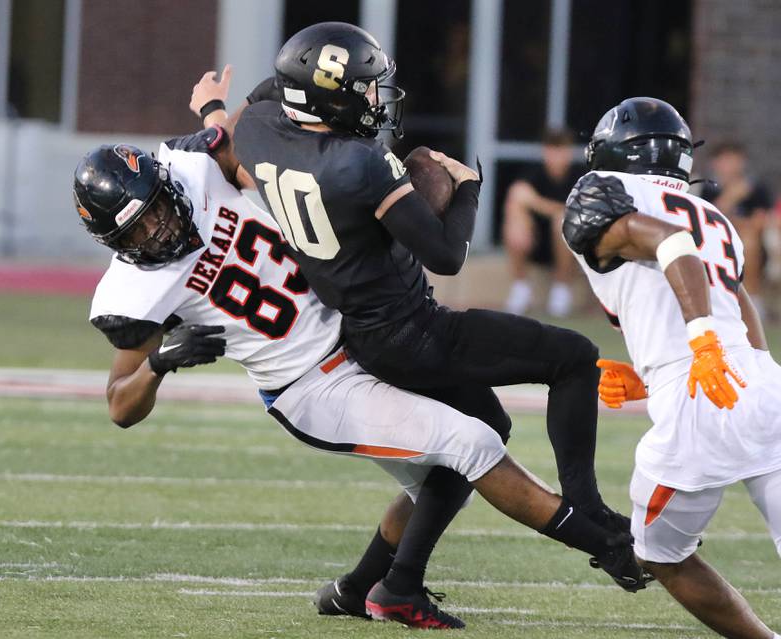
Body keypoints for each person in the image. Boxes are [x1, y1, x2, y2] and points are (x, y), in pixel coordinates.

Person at [74, 131, 645, 630]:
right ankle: (609, 547)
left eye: (154, 211)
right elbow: (120, 406)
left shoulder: (193, 168)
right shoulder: (133, 294)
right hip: (311, 386)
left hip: (361, 331)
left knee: (465, 447)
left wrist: (224, 117)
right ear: (113, 245)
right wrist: (160, 362)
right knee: (471, 444)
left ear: (164, 184)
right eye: (136, 233)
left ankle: (368, 588)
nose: (156, 231)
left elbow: (255, 156)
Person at [189, 21, 645, 627]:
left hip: (365, 333)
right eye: (368, 89)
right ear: (332, 97)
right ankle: (589, 512)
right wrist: (469, 190)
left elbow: (268, 94)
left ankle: (384, 585)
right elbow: (447, 255)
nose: (378, 100)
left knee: (484, 427)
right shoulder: (359, 165)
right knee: (572, 356)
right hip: (415, 333)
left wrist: (216, 110)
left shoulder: (257, 131)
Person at [563, 96, 781, 639]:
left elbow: (670, 243)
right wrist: (665, 366)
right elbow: (736, 299)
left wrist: (698, 349)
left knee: (660, 555)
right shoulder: (715, 215)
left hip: (698, 400)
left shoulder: (603, 193)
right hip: (761, 386)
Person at [503, 128, 582, 317]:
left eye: (561, 150)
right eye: (552, 150)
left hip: (569, 247)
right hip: (536, 242)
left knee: (561, 222)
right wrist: (556, 209)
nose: (556, 156)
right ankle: (521, 287)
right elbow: (518, 194)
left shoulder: (580, 176)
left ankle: (561, 289)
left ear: (569, 152)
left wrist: (542, 206)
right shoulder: (534, 172)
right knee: (515, 217)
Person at [698, 142, 774, 320]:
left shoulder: (756, 188)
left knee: (748, 241)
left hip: (751, 243)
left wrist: (734, 222)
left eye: (733, 159)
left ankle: (753, 301)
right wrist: (731, 197)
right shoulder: (706, 188)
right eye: (724, 160)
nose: (729, 165)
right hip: (713, 240)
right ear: (715, 163)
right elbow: (705, 219)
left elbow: (759, 222)